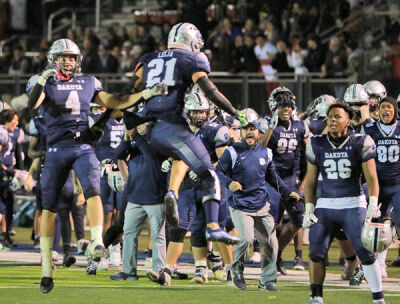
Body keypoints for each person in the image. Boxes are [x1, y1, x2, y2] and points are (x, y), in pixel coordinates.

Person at [26, 38, 167, 293]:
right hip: (56, 148)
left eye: (72, 57)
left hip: (82, 145)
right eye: (64, 57)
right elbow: (31, 105)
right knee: (49, 207)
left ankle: (95, 242)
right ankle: (47, 266)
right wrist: (42, 79)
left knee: (93, 190)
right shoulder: (43, 80)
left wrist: (146, 93)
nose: (68, 61)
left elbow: (114, 101)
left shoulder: (88, 81)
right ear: (52, 58)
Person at [125, 22, 245, 247]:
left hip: (150, 127)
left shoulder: (151, 58)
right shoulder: (192, 60)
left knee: (180, 158)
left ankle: (171, 191)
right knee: (209, 175)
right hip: (172, 125)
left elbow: (133, 88)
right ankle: (213, 227)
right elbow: (211, 91)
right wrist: (234, 112)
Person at [304, 101, 385, 304]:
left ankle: (378, 299)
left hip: (353, 204)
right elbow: (311, 181)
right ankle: (316, 297)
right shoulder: (316, 143)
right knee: (315, 251)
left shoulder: (361, 141)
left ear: (348, 121)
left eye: (337, 116)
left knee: (365, 253)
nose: (332, 120)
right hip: (326, 205)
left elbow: (372, 177)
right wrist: (308, 208)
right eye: (330, 116)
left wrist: (373, 203)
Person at [216, 115, 300, 291]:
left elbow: (273, 178)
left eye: (253, 129)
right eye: (246, 128)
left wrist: (288, 191)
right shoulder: (231, 152)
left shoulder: (266, 152)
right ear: (241, 131)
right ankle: (236, 271)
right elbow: (218, 172)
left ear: (258, 131)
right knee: (246, 239)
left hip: (261, 205)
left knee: (271, 242)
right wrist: (229, 183)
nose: (250, 132)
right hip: (240, 205)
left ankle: (267, 280)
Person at [109, 122, 169, 284]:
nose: (138, 126)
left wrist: (135, 135)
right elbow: (118, 155)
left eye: (141, 123)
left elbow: (152, 155)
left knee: (158, 236)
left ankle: (159, 271)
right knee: (129, 234)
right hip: (135, 196)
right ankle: (128, 271)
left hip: (155, 196)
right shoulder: (136, 141)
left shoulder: (159, 139)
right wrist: (126, 140)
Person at [259, 87, 309, 274]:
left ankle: (276, 254)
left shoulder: (300, 126)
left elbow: (309, 154)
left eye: (289, 106)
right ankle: (269, 259)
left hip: (291, 180)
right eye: (282, 106)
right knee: (271, 224)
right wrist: (271, 127)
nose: (287, 109)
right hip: (270, 179)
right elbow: (258, 148)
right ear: (274, 107)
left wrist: (303, 184)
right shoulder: (265, 123)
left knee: (299, 219)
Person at [361, 96, 400, 278]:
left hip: (397, 184)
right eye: (383, 107)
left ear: (395, 110)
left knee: (393, 222)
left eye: (389, 108)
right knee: (377, 225)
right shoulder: (369, 128)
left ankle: (380, 264)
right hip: (376, 184)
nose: (386, 110)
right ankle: (375, 265)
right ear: (379, 110)